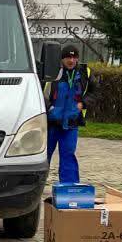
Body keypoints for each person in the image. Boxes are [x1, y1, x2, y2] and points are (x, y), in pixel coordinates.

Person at [44, 45, 93, 184]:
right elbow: (40, 93)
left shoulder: (85, 73)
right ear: (62, 59)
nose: (71, 60)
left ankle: (69, 189)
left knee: (68, 156)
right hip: (51, 123)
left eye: (74, 57)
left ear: (77, 58)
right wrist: (50, 108)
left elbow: (95, 92)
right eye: (68, 57)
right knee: (43, 156)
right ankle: (35, 187)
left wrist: (83, 103)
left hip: (71, 123)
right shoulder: (52, 72)